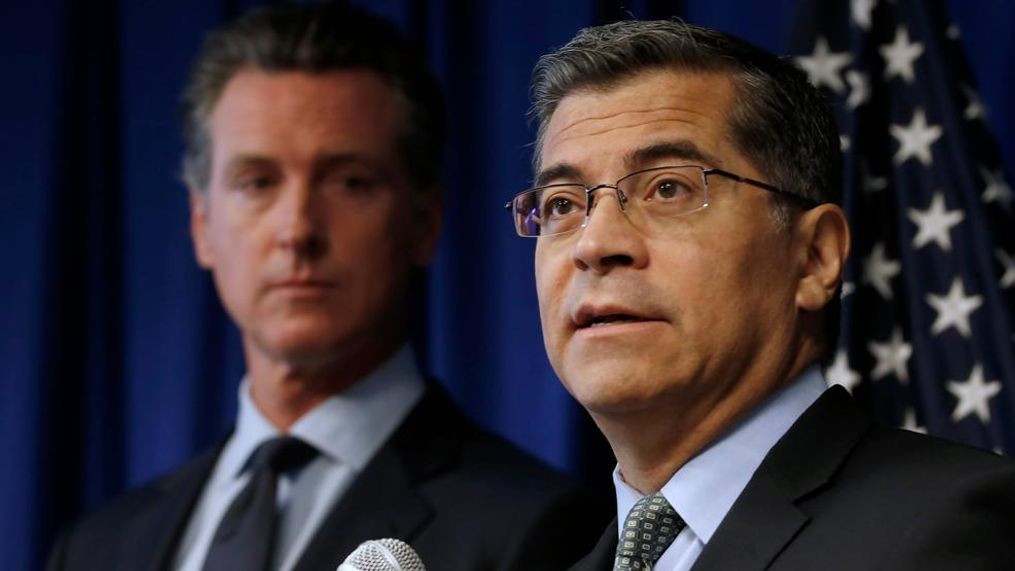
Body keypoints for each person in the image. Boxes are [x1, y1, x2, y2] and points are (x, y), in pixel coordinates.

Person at [47, 3, 608, 570]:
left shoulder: (542, 534)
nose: (297, 230)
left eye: (349, 182)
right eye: (257, 182)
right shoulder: (96, 547)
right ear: (200, 225)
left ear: (424, 222)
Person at [507, 19, 1015, 570]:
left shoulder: (950, 530)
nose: (596, 243)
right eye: (562, 205)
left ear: (815, 256)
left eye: (668, 188)